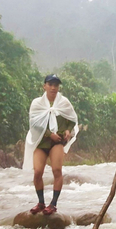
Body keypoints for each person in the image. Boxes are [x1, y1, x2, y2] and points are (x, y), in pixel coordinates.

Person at [23, 74, 78, 216]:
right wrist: (48, 134)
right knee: (37, 172)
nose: (53, 88)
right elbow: (34, 124)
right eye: (50, 84)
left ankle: (53, 204)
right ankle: (41, 202)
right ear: (45, 86)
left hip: (57, 142)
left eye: (56, 85)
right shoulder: (37, 103)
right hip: (41, 142)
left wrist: (67, 130)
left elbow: (71, 119)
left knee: (57, 171)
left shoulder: (64, 102)